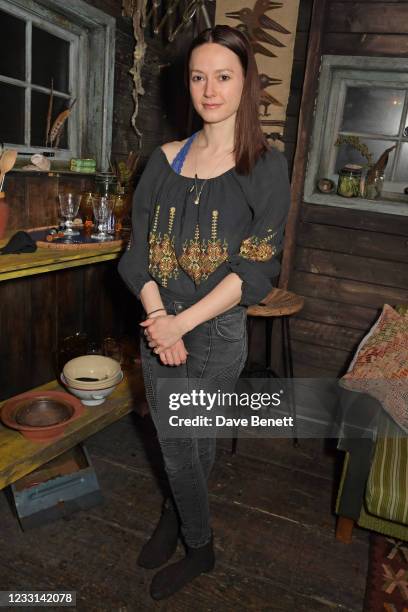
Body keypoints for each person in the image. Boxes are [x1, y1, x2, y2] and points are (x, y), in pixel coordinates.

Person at [118, 24, 291, 600]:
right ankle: (182, 515)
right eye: (199, 76)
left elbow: (257, 268)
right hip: (156, 321)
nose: (209, 89)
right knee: (181, 441)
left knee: (190, 439)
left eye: (224, 76)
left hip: (216, 332)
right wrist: (159, 319)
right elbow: (135, 257)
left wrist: (180, 325)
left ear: (247, 83)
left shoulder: (266, 166)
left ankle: (199, 543)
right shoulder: (162, 161)